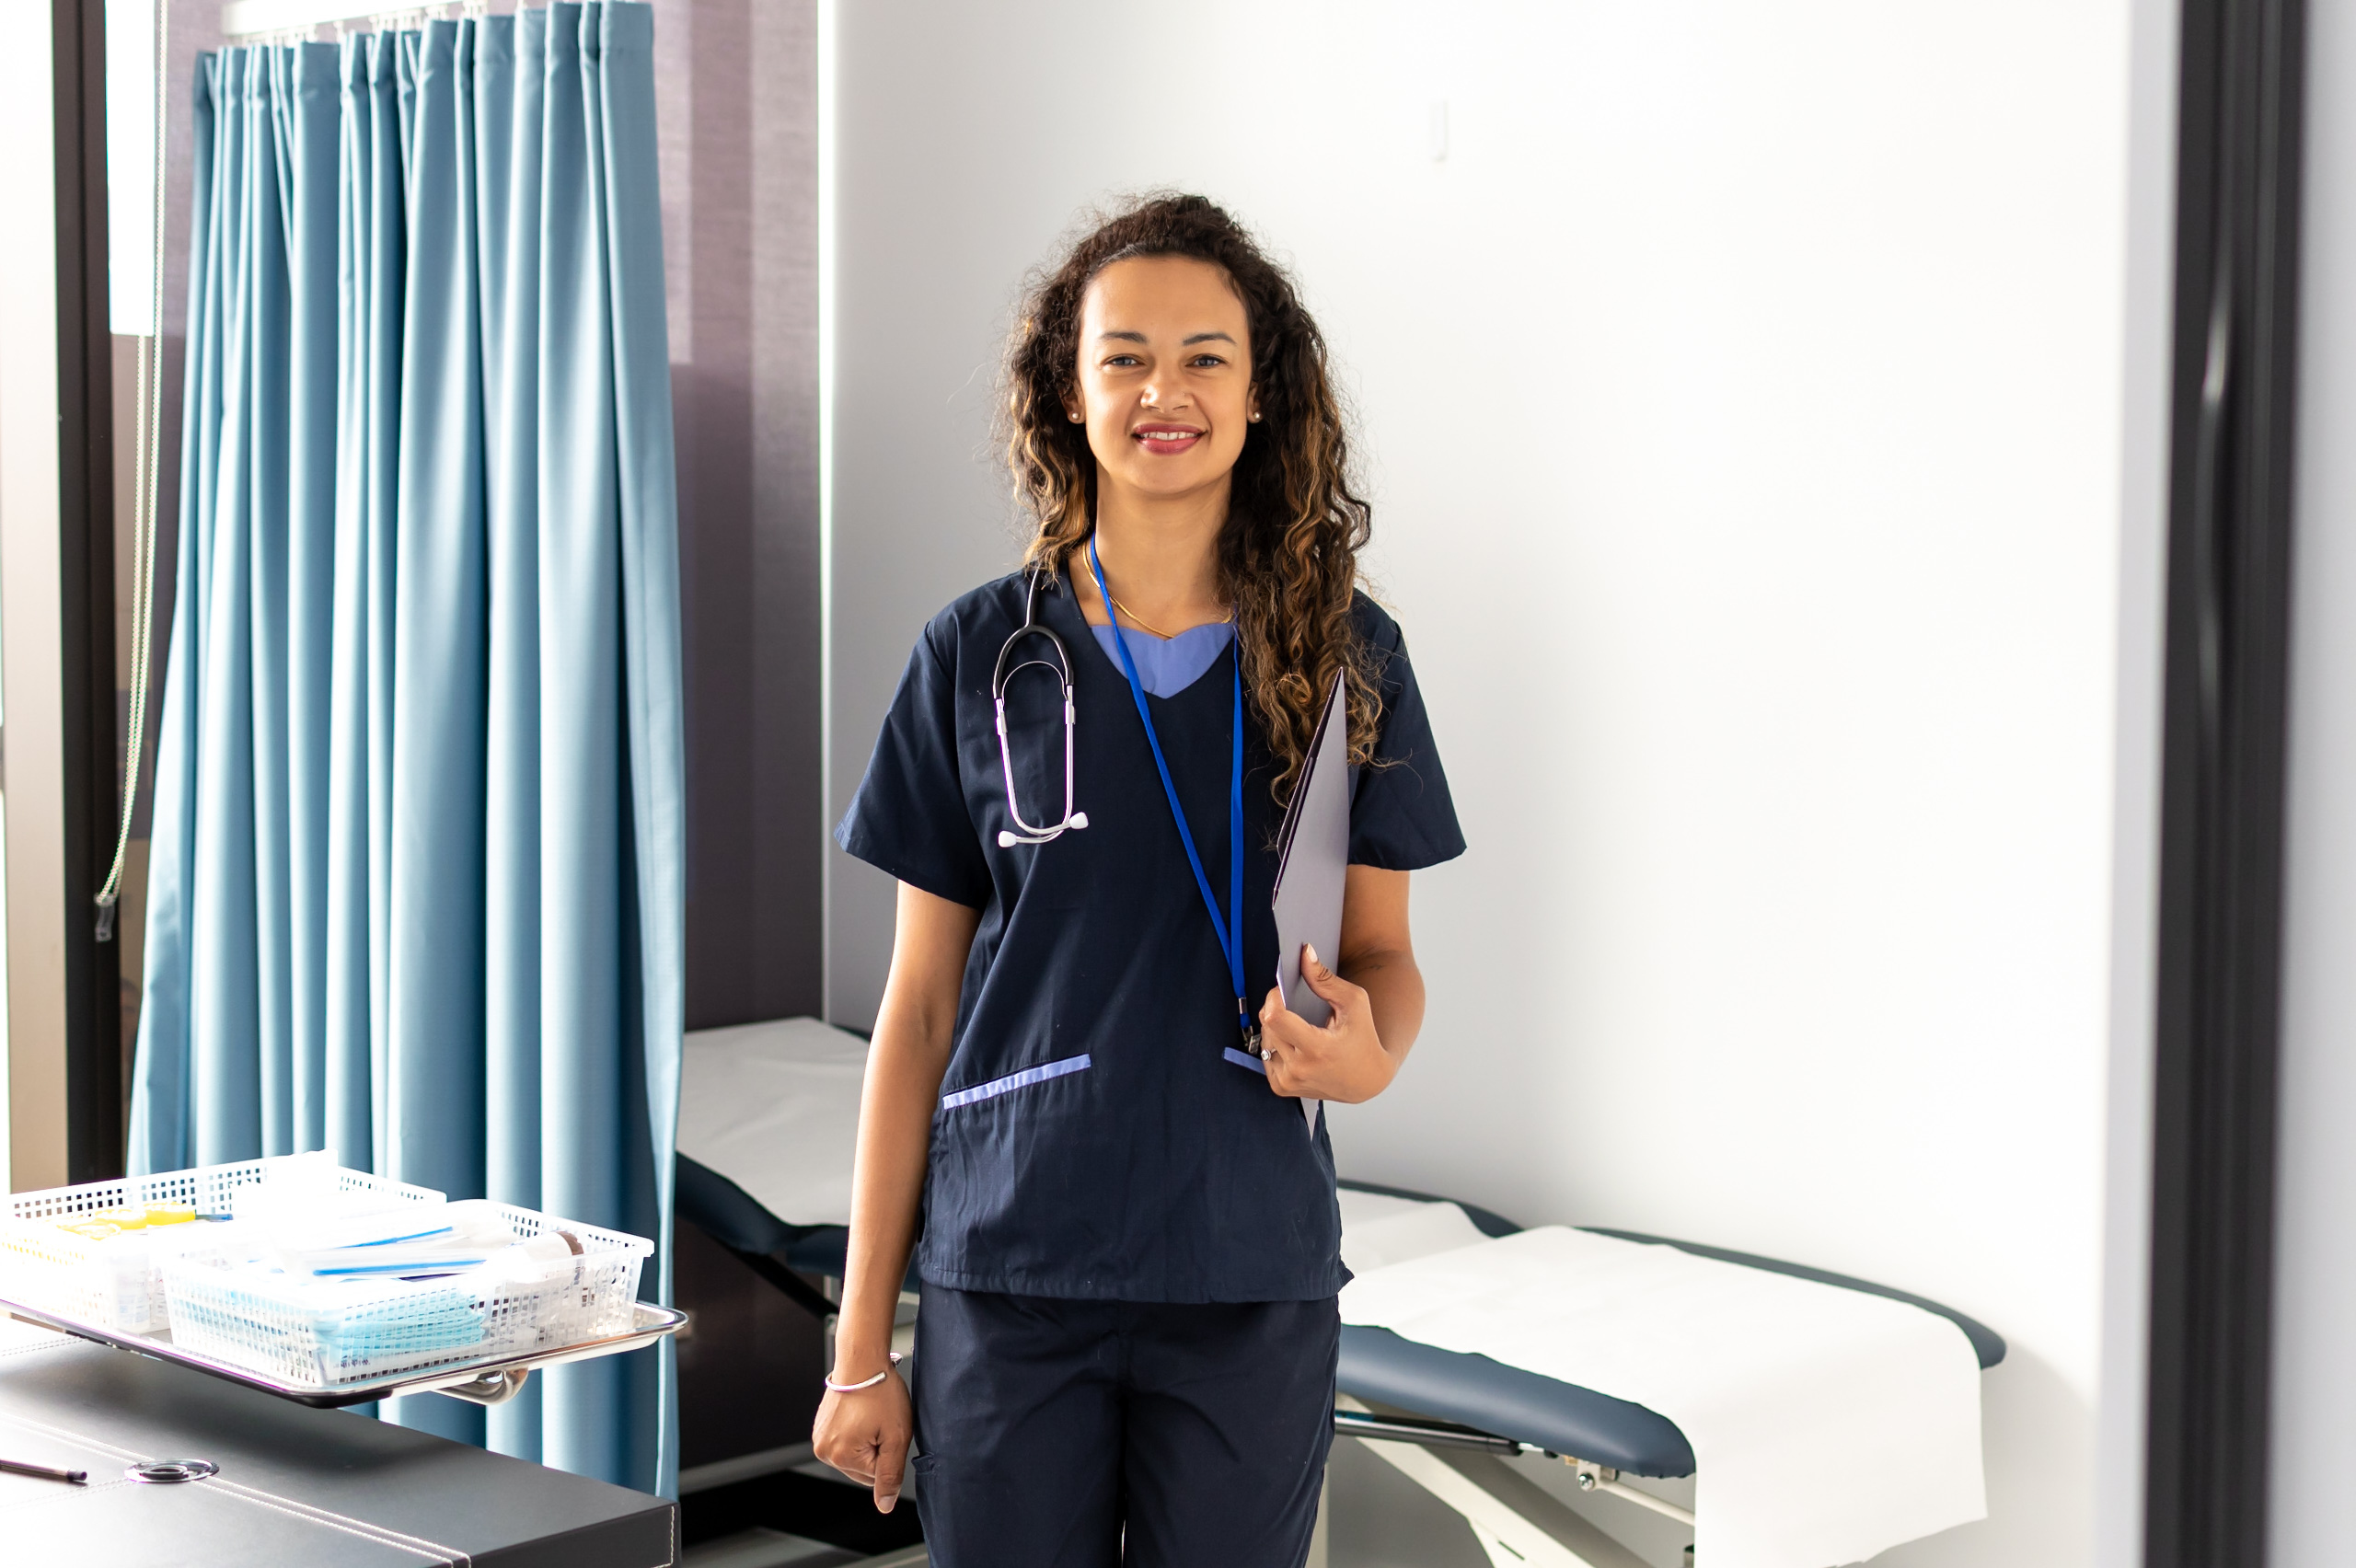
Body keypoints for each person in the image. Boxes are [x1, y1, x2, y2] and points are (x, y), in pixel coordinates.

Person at [813, 192, 1466, 1568]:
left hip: (1244, 1269)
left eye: (1206, 357)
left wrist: (1372, 1056)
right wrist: (861, 1348)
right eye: (1124, 356)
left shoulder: (1352, 657)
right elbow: (917, 1015)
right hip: (1014, 1268)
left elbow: (1385, 959)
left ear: (1263, 393)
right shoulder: (976, 657)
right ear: (1068, 392)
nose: (1163, 390)